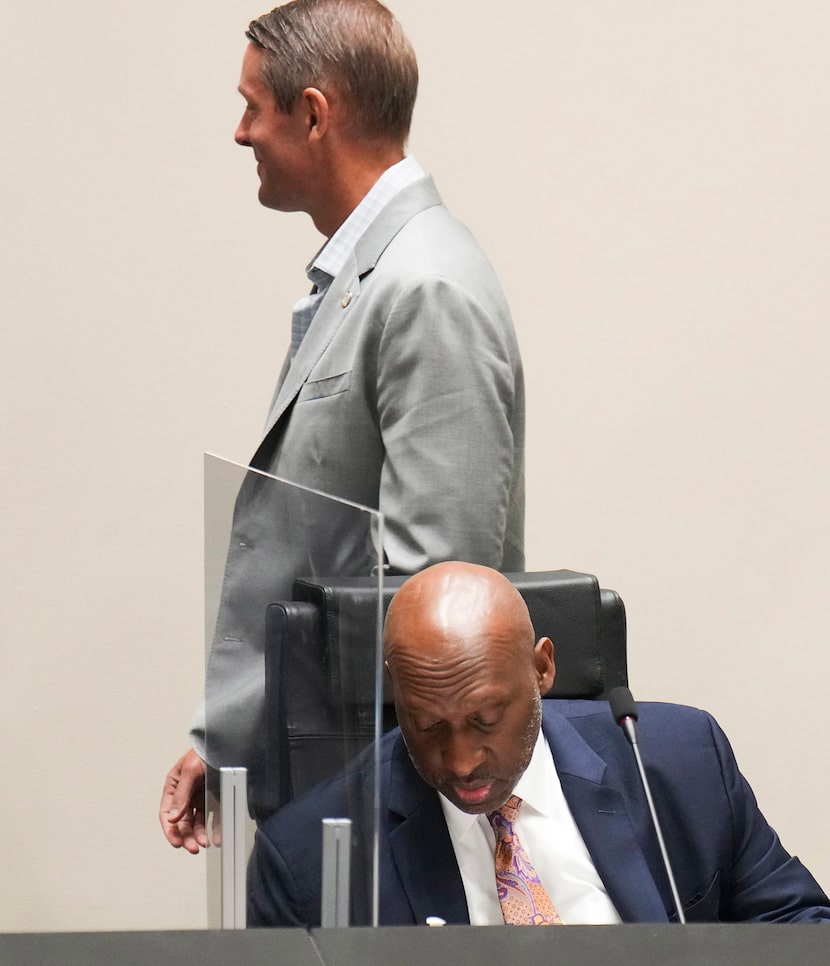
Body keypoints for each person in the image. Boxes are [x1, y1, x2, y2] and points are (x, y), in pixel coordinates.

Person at [160, 0, 524, 851]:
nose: (240, 132)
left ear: (314, 114)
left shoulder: (425, 286)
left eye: (254, 105)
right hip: (333, 781)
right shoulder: (375, 276)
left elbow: (439, 588)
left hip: (388, 811)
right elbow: (318, 541)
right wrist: (228, 735)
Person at [247, 562, 830, 926]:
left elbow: (798, 925)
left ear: (543, 669)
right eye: (428, 725)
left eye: (485, 720)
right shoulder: (306, 858)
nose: (461, 761)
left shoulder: (683, 763)